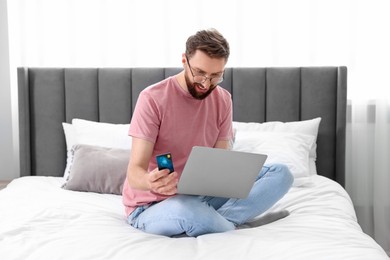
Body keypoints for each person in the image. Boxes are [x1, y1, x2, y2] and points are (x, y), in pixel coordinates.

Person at [122, 28, 293, 237]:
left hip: (202, 195)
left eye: (215, 76)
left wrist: (230, 174)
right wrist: (150, 181)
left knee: (281, 174)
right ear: (184, 60)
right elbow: (134, 173)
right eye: (200, 72)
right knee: (187, 211)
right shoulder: (152, 98)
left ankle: (221, 221)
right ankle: (233, 225)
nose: (205, 83)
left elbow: (221, 162)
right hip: (153, 205)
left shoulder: (223, 99)